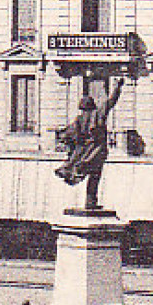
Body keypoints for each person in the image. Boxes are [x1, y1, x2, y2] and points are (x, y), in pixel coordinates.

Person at [56, 78, 126, 211]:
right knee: (95, 177)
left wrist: (68, 146)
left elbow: (66, 135)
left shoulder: (78, 120)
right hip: (96, 152)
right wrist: (117, 87)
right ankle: (90, 201)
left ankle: (88, 198)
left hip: (83, 154)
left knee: (89, 174)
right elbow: (111, 101)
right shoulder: (98, 114)